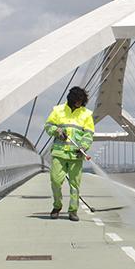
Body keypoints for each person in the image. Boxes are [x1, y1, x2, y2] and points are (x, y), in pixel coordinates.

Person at [44, 86, 94, 221]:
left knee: (75, 185)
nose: (79, 103)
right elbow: (48, 126)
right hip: (59, 154)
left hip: (76, 156)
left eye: (81, 101)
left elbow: (88, 134)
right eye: (77, 100)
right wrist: (57, 131)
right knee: (55, 181)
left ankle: (73, 211)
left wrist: (83, 146)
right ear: (71, 99)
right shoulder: (58, 110)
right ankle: (57, 206)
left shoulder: (86, 114)